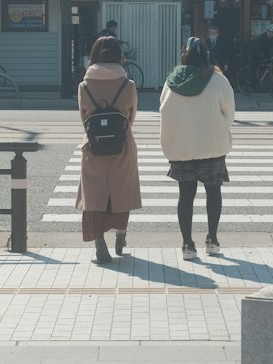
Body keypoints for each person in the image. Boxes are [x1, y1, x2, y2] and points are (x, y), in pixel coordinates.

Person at [159, 36, 235, 259]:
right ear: (206, 55)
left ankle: (187, 245)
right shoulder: (217, 79)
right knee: (213, 193)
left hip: (182, 147)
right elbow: (229, 113)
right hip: (211, 146)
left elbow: (163, 110)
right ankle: (212, 239)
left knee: (185, 196)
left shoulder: (172, 80)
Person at [76, 35, 141, 264]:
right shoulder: (128, 84)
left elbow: (84, 118)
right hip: (122, 146)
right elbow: (131, 117)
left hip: (93, 148)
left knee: (94, 195)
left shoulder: (85, 85)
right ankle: (121, 235)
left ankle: (99, 242)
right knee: (121, 191)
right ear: (119, 56)